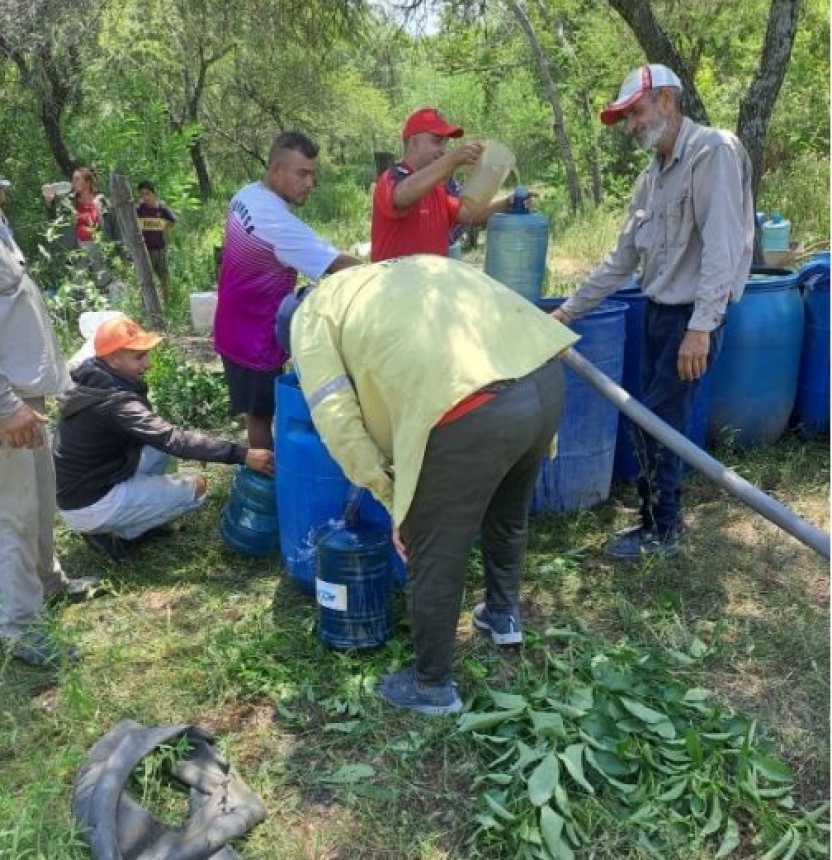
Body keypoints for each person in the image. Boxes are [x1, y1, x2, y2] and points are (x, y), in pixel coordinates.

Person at [276, 255, 578, 716]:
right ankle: (502, 615)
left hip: (469, 409)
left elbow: (338, 421)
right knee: (507, 512)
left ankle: (431, 684)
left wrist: (394, 498)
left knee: (433, 547)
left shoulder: (310, 321)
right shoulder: (393, 272)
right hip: (543, 381)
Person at [551, 63, 754, 561]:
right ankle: (654, 515)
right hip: (657, 312)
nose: (632, 124)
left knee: (659, 423)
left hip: (692, 319)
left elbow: (722, 249)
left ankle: (663, 530)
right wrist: (566, 314)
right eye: (626, 118)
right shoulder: (650, 179)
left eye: (636, 111)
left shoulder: (714, 152)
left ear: (667, 100)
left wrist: (701, 328)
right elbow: (620, 261)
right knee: (650, 420)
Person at [0, 189, 99, 667]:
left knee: (39, 496)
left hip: (19, 389)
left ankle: (47, 583)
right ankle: (17, 629)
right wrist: (0, 403)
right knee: (7, 515)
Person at [53, 314, 275, 562]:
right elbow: (174, 439)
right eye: (138, 356)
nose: (147, 364)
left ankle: (126, 515)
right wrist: (242, 455)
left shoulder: (92, 379)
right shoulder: (117, 403)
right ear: (113, 359)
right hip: (91, 502)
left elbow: (162, 439)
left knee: (157, 446)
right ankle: (118, 532)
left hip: (84, 487)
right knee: (197, 488)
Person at [214, 131, 359, 450]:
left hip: (231, 323)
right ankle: (266, 487)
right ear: (276, 168)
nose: (310, 183)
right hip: (255, 338)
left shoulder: (247, 194)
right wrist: (387, 274)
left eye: (313, 174)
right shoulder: (278, 225)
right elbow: (338, 265)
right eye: (302, 174)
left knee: (256, 413)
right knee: (261, 417)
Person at [370, 107, 517, 262]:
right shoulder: (391, 178)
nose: (442, 150)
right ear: (414, 142)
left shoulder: (437, 188)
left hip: (433, 283)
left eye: (445, 143)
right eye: (437, 141)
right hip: (396, 283)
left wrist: (507, 203)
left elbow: (468, 214)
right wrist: (452, 159)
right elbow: (401, 196)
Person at [43, 166, 116, 292]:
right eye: (73, 179)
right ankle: (81, 308)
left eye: (77, 179)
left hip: (99, 247)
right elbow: (55, 221)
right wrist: (50, 204)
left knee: (104, 283)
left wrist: (119, 249)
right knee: (79, 286)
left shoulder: (101, 201)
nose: (73, 182)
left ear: (88, 182)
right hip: (77, 248)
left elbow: (114, 226)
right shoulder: (69, 202)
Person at [135, 180, 177, 303]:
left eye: (147, 194)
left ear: (153, 193)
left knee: (164, 277)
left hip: (160, 248)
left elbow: (173, 220)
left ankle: (168, 303)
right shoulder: (139, 209)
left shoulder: (162, 208)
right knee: (146, 279)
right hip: (145, 250)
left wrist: (165, 226)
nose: (145, 197)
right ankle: (147, 306)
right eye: (142, 195)